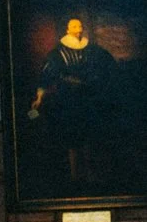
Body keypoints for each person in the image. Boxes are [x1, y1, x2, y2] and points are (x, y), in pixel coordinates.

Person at [27, 16, 116, 196]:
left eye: (80, 25)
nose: (78, 28)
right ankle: (75, 179)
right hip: (67, 100)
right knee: (71, 138)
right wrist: (39, 97)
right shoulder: (57, 52)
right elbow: (47, 75)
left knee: (90, 136)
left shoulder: (92, 50)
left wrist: (99, 84)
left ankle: (92, 177)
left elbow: (106, 67)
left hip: (89, 98)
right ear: (68, 29)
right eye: (74, 25)